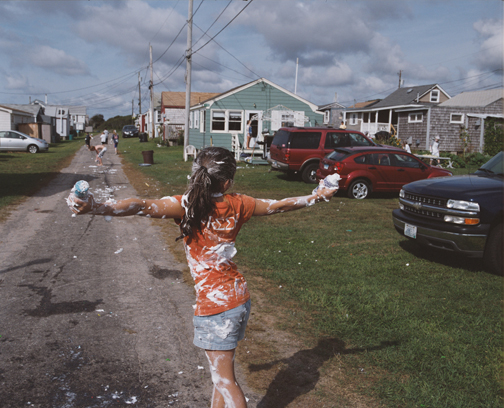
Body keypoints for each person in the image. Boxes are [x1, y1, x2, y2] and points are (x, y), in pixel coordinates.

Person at [67, 146, 338, 408]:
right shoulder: (239, 204)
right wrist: (318, 195)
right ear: (227, 182)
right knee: (219, 377)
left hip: (216, 307)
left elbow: (142, 205)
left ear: (196, 173)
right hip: (238, 297)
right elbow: (279, 205)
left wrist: (96, 207)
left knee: (224, 380)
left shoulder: (186, 206)